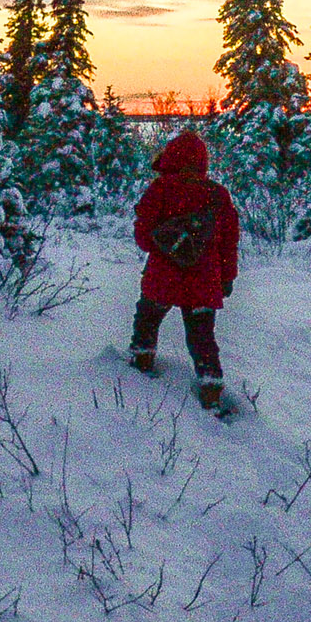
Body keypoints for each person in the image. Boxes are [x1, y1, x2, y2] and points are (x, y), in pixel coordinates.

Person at [127, 125, 242, 412]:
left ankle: (140, 368)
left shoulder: (160, 189)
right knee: (203, 338)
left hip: (162, 279)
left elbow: (143, 238)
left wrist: (167, 246)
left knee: (147, 321)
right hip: (203, 283)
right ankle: (211, 390)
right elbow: (229, 242)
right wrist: (226, 278)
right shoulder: (218, 195)